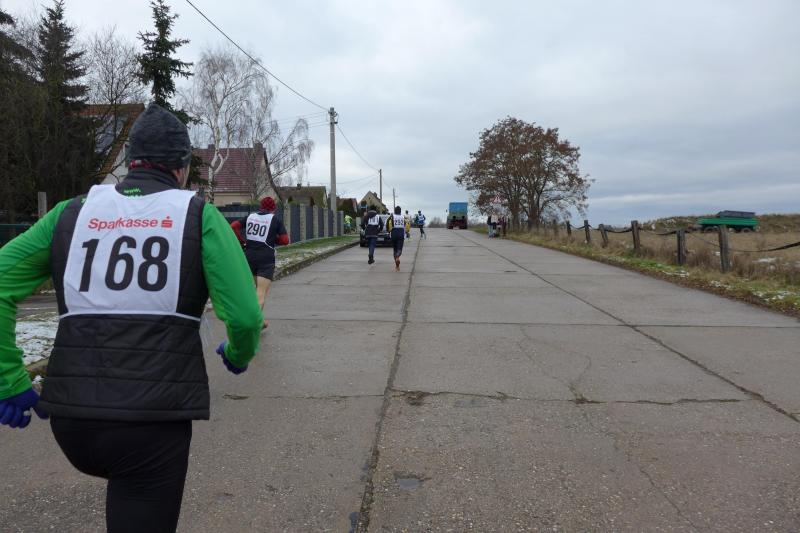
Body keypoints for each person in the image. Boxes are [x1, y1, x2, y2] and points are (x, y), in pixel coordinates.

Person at [0, 103, 263, 533]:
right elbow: (247, 317)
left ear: (130, 162)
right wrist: (238, 353)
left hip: (71, 419)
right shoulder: (198, 215)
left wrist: (7, 378)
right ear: (181, 169)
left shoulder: (71, 212)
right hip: (152, 424)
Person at [230, 197, 289, 329]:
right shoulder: (274, 219)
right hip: (266, 259)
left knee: (254, 291)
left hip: (249, 257)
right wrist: (274, 239)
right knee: (261, 292)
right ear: (273, 209)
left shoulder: (251, 217)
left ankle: (260, 321)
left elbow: (233, 226)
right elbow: (285, 240)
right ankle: (251, 322)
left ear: (261, 207)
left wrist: (242, 241)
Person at [387, 206, 406, 271]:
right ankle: (398, 257)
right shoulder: (403, 217)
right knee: (399, 249)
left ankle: (397, 266)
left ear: (395, 211)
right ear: (400, 211)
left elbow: (387, 224)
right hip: (401, 233)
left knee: (395, 249)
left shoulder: (392, 216)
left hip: (394, 233)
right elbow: (406, 225)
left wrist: (388, 231)